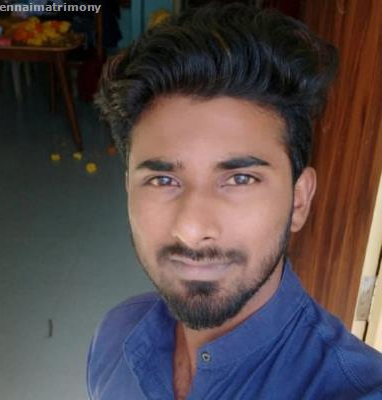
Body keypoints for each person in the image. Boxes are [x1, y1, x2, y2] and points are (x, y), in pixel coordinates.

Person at [87, 2, 382, 399]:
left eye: (240, 179)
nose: (192, 229)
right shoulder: (113, 337)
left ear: (298, 201)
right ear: (128, 189)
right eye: (162, 179)